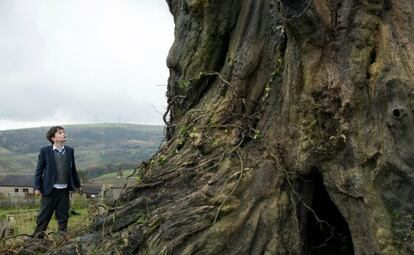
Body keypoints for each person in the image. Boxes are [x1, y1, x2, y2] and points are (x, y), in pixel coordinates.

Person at [32, 126, 82, 238]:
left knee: (63, 216)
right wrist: (37, 187)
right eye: (60, 132)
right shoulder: (45, 151)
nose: (64, 134)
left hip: (64, 190)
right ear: (53, 138)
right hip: (49, 190)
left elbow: (73, 169)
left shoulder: (70, 150)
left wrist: (78, 185)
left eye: (64, 132)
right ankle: (36, 240)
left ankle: (62, 239)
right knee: (44, 217)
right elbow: (39, 171)